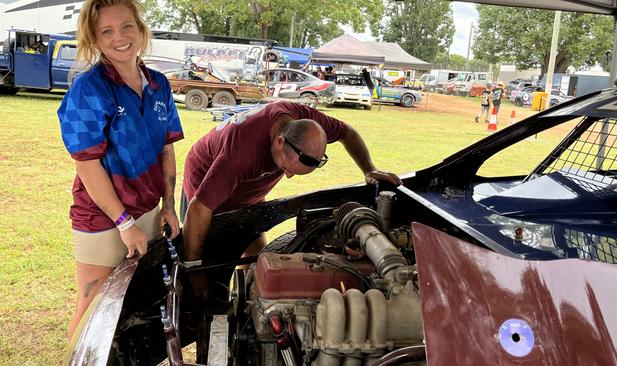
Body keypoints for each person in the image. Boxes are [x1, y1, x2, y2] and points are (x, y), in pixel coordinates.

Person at [180, 101, 402, 301]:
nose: (287, 176)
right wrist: (193, 269)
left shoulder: (307, 122)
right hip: (207, 184)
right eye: (285, 168)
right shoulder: (240, 153)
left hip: (249, 188)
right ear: (279, 140)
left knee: (256, 254)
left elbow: (348, 132)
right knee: (212, 270)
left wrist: (369, 170)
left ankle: (246, 294)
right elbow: (199, 210)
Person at [57, 0, 183, 338]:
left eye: (127, 26)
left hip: (147, 211)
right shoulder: (90, 88)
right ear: (95, 40)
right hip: (102, 217)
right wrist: (123, 223)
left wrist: (168, 205)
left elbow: (167, 148)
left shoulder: (158, 84)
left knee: (134, 306)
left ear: (140, 29)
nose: (119, 37)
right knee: (93, 309)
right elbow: (87, 164)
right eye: (106, 31)